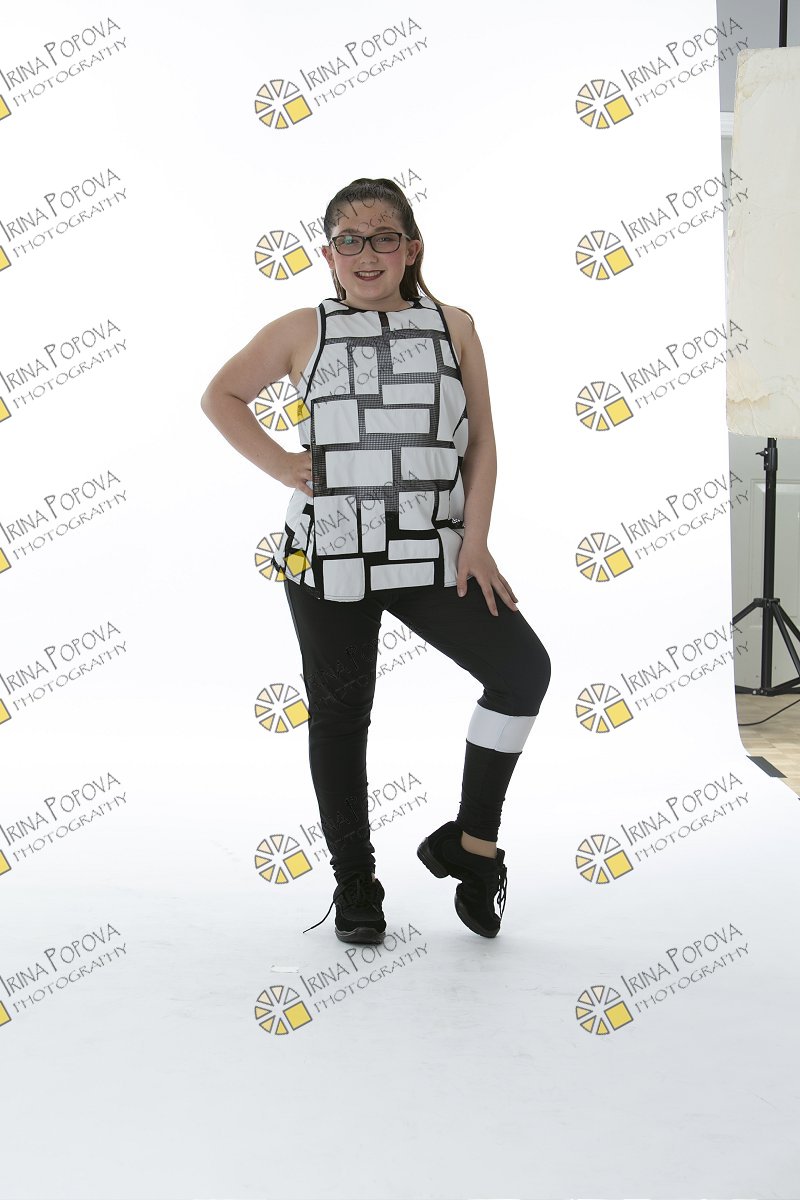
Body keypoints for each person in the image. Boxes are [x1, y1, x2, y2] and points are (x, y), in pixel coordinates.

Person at [200, 177, 552, 944]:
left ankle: (473, 846)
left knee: (522, 672)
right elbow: (221, 395)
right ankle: (355, 881)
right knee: (340, 716)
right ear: (328, 254)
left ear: (411, 249)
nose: (367, 254)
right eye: (349, 241)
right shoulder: (301, 329)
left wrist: (476, 540)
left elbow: (482, 441)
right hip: (330, 555)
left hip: (432, 546)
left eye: (384, 238)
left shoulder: (454, 326)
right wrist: (283, 464)